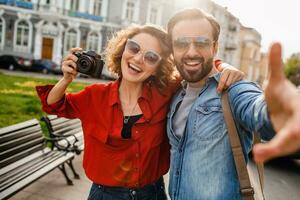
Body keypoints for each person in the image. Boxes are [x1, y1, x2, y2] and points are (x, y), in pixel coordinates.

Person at [36, 24, 244, 200]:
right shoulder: (94, 96)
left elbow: (196, 68)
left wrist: (223, 66)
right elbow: (55, 104)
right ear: (123, 49)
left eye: (151, 57)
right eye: (133, 48)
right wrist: (66, 79)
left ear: (158, 67)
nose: (137, 59)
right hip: (104, 195)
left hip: (151, 193)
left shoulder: (164, 92)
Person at [166, 8, 300, 200]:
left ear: (215, 47)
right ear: (172, 49)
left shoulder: (233, 90)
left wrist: (281, 112)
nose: (191, 52)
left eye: (202, 43)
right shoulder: (176, 94)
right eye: (181, 43)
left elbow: (256, 107)